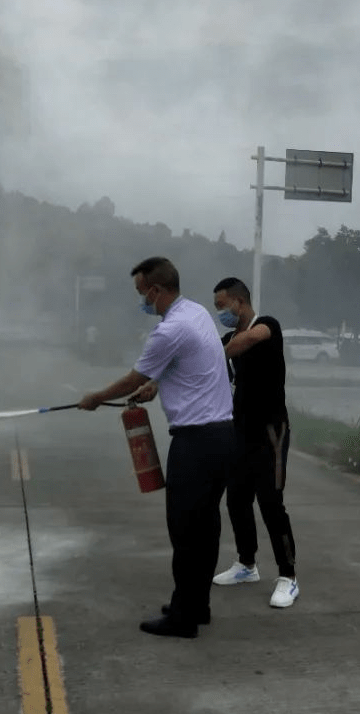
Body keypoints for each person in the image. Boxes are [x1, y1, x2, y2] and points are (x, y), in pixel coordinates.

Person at [78, 257, 234, 639]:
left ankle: (183, 618)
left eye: (142, 294)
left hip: (195, 442)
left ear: (156, 290)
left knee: (184, 530)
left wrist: (97, 397)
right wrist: (159, 385)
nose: (142, 302)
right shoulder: (196, 314)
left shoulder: (169, 330)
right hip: (222, 437)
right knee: (206, 527)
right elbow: (192, 366)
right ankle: (197, 605)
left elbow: (135, 376)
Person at [210, 277, 299, 608]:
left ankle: (288, 576)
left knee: (271, 503)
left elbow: (245, 342)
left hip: (272, 431)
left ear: (239, 302)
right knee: (236, 499)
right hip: (241, 432)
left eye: (222, 306)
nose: (219, 312)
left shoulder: (266, 326)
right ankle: (246, 565)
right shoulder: (227, 338)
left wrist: (219, 351)